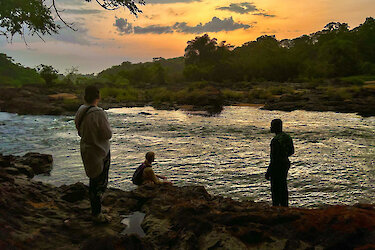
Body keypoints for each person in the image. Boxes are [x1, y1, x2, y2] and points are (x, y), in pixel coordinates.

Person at [74, 85, 112, 223]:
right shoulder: (99, 113)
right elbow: (107, 134)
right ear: (98, 96)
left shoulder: (81, 110)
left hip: (86, 149)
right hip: (100, 152)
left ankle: (96, 211)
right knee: (99, 184)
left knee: (93, 182)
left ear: (85, 96)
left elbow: (78, 128)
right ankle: (97, 214)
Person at [265, 119, 294, 207]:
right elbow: (291, 151)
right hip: (285, 163)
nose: (270, 127)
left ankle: (276, 207)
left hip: (277, 165)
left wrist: (268, 171)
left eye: (272, 126)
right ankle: (285, 206)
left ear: (276, 127)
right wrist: (284, 156)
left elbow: (274, 158)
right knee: (283, 186)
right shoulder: (287, 137)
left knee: (275, 188)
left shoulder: (275, 140)